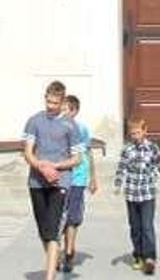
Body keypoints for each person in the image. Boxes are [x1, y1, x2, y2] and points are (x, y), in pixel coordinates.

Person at [22, 80, 81, 280]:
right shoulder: (34, 121)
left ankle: (49, 277)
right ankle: (52, 258)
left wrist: (54, 167)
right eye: (48, 102)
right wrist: (40, 165)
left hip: (60, 182)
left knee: (54, 228)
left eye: (55, 103)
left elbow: (77, 158)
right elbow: (28, 153)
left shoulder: (70, 125)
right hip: (37, 182)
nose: (51, 106)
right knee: (43, 229)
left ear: (62, 101)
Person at [113, 116, 160, 276]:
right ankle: (138, 255)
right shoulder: (127, 149)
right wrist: (118, 185)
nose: (135, 136)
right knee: (135, 227)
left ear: (145, 131)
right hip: (132, 194)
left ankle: (150, 258)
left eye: (138, 132)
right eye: (132, 133)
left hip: (147, 193)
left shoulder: (152, 148)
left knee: (147, 226)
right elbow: (121, 168)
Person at [60, 94, 97, 273]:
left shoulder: (82, 129)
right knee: (59, 217)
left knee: (73, 217)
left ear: (74, 111)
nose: (62, 112)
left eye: (65, 109)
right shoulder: (56, 128)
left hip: (77, 178)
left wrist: (93, 178)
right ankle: (58, 250)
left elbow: (89, 153)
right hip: (59, 178)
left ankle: (68, 252)